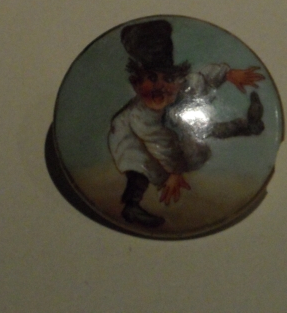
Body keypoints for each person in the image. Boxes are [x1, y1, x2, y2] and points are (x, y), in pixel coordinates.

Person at [108, 19, 265, 227]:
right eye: (151, 78)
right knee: (138, 164)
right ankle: (131, 206)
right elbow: (161, 144)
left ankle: (249, 125)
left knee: (205, 128)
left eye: (168, 79)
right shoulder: (141, 115)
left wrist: (228, 74)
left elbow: (203, 78)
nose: (160, 87)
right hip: (133, 137)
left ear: (177, 79)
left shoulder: (183, 86)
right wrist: (174, 173)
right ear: (137, 84)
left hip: (173, 125)